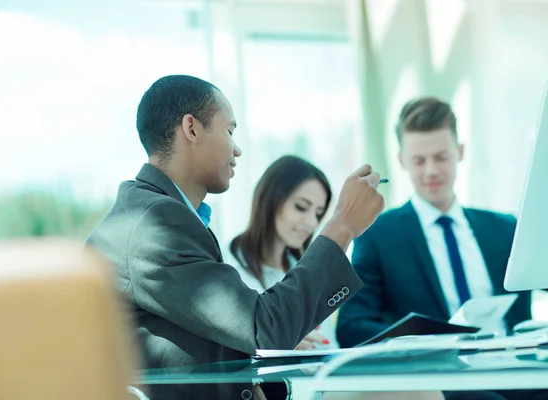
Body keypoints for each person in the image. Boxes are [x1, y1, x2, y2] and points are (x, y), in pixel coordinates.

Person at [86, 74, 385, 400]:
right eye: (229, 131)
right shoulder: (156, 223)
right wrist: (341, 226)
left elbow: (200, 343)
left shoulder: (158, 214)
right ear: (192, 128)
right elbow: (264, 329)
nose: (238, 149)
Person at [335, 96, 540, 400]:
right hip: (445, 380)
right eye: (419, 160)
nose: (431, 170)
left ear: (460, 152)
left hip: (516, 370)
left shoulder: (505, 228)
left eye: (441, 157)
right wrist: (425, 339)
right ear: (402, 160)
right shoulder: (378, 235)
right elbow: (352, 326)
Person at [227, 155, 340, 350]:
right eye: (301, 207)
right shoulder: (227, 268)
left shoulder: (310, 275)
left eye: (318, 213)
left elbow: (330, 350)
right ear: (271, 200)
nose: (312, 223)